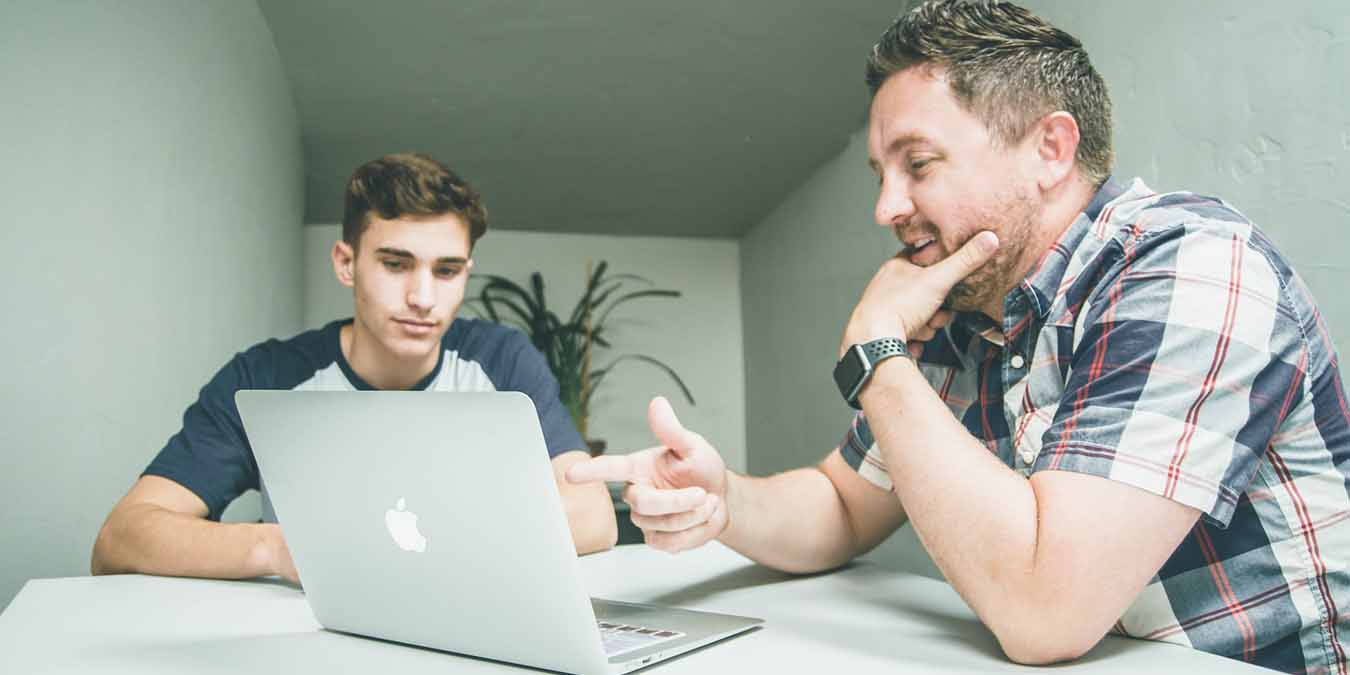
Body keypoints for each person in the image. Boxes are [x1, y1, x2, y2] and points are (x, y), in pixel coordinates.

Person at [567, 1, 1350, 671]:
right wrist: (724, 498)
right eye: (881, 172)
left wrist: (878, 352)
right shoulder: (971, 310)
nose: (887, 207)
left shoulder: (1193, 267)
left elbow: (1047, 610)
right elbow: (843, 503)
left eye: (918, 164)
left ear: (1050, 149)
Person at [92, 153, 618, 584]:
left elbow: (594, 517)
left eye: (447, 270)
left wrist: (418, 540)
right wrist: (280, 550)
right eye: (395, 264)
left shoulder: (502, 360)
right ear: (346, 263)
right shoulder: (267, 376)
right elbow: (122, 537)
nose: (423, 297)